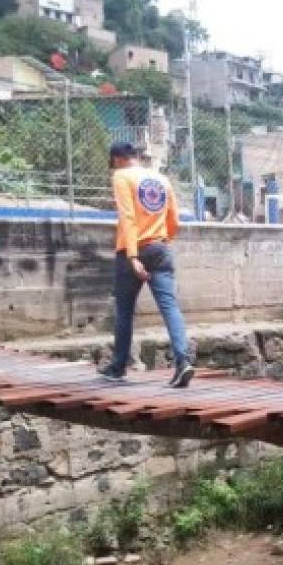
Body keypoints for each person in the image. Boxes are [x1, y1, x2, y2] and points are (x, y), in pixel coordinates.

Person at [99, 142, 195, 388]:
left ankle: (118, 367)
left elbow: (128, 217)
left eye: (112, 164)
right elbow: (174, 219)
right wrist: (162, 241)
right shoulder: (160, 179)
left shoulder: (122, 177)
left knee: (124, 310)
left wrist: (133, 255)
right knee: (169, 306)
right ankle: (183, 361)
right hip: (160, 248)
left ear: (118, 159)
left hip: (133, 251)